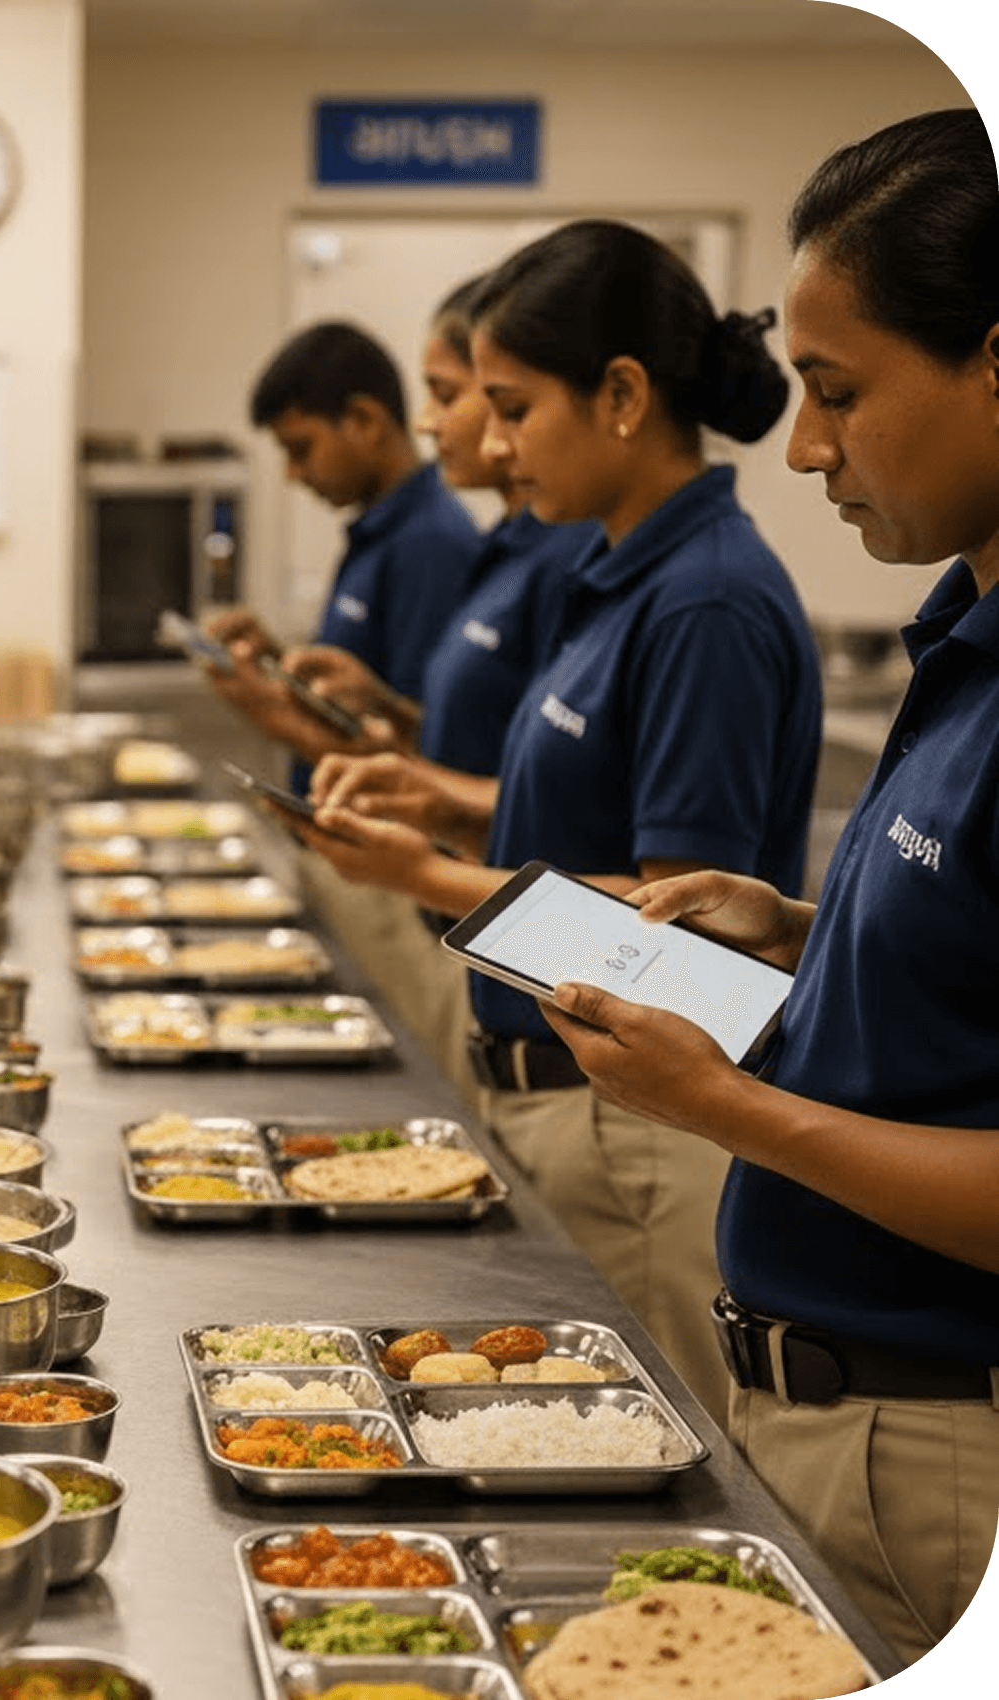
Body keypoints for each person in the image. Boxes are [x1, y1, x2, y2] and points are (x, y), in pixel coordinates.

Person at [541, 109, 999, 1662]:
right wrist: (802, 931)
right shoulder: (963, 633)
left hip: (939, 1455)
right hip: (836, 1422)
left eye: (842, 393)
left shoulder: (728, 605)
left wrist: (726, 1108)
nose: (805, 446)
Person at [290, 220, 825, 1426]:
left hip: (630, 1126)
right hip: (555, 1092)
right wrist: (433, 796)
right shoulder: (611, 576)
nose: (484, 442)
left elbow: (671, 938)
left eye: (512, 407)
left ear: (622, 396)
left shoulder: (705, 603)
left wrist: (426, 871)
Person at [205, 278, 594, 1097]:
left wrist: (314, 734)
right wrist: (336, 698)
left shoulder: (471, 546)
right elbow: (439, 744)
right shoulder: (493, 545)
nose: (437, 422)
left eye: (474, 399)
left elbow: (674, 911)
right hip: (434, 891)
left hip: (480, 930)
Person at [211, 319, 484, 987]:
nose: (295, 474)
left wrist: (283, 722)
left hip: (392, 871)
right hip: (350, 857)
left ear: (363, 419)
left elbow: (417, 755)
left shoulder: (432, 542)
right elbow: (371, 695)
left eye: (302, 448)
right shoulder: (377, 529)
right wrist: (281, 667)